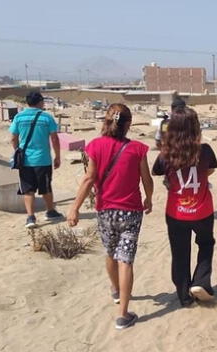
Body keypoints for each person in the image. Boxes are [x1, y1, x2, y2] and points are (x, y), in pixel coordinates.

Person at [67, 103, 153, 330]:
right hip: (131, 212)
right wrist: (149, 198)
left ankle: (116, 290)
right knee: (126, 259)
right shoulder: (138, 149)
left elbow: (88, 179)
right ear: (128, 125)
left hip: (105, 210)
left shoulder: (95, 146)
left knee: (110, 252)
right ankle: (123, 314)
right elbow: (147, 179)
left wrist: (74, 208)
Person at [152, 107, 217, 307]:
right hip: (202, 210)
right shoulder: (205, 150)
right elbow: (211, 169)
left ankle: (183, 295)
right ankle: (201, 282)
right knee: (206, 244)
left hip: (176, 212)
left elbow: (157, 171)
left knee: (179, 253)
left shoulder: (166, 154)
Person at [9, 91, 63, 228]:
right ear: (40, 102)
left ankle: (30, 217)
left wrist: (17, 151)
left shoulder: (18, 117)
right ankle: (50, 211)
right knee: (45, 187)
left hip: (25, 160)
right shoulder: (46, 117)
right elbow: (54, 138)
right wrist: (57, 156)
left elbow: (13, 138)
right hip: (43, 159)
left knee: (28, 190)